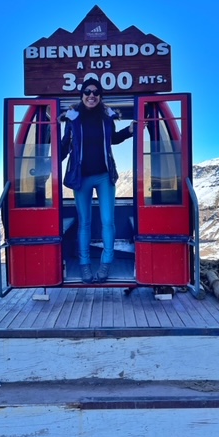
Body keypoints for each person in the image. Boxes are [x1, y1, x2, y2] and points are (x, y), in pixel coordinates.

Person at [60, 77, 134, 283]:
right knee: (84, 222)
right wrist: (51, 160)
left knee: (108, 221)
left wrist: (129, 131)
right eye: (87, 92)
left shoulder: (107, 117)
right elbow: (65, 144)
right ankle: (85, 266)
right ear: (82, 95)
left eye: (95, 92)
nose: (91, 95)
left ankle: (105, 265)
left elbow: (113, 140)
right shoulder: (73, 118)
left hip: (104, 175)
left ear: (100, 96)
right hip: (80, 177)